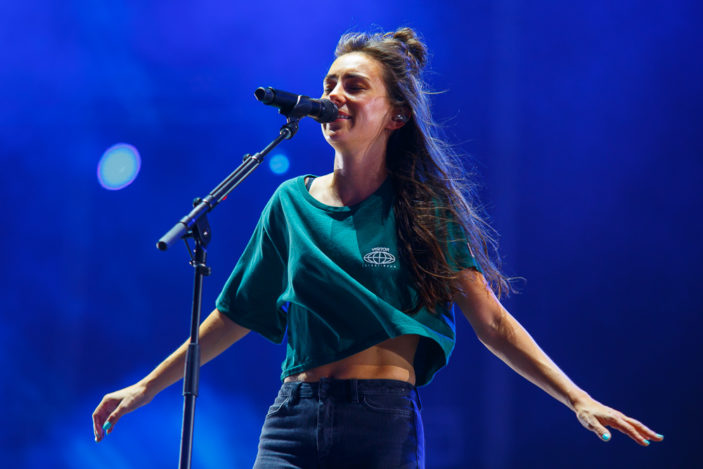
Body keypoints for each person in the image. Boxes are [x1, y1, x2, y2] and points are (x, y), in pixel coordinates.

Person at [92, 27, 663, 468]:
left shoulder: (422, 209)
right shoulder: (289, 203)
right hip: (291, 420)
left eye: (354, 86)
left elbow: (491, 321)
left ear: (396, 115)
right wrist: (146, 387)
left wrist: (576, 397)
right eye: (329, 85)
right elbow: (235, 313)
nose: (334, 96)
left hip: (380, 423)